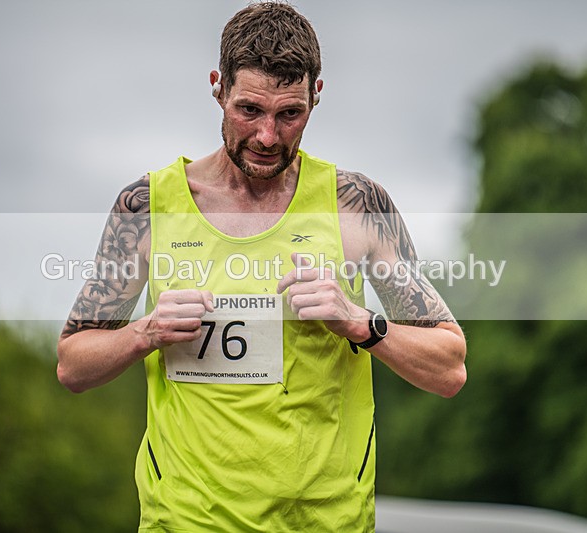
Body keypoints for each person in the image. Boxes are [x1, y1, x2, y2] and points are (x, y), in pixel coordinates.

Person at [57, 2, 466, 531]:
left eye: (289, 114)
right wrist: (146, 331)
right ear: (217, 88)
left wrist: (358, 322)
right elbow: (72, 365)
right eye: (249, 110)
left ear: (316, 96)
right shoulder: (147, 206)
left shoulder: (356, 205)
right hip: (186, 520)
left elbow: (450, 367)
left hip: (324, 521)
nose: (268, 136)